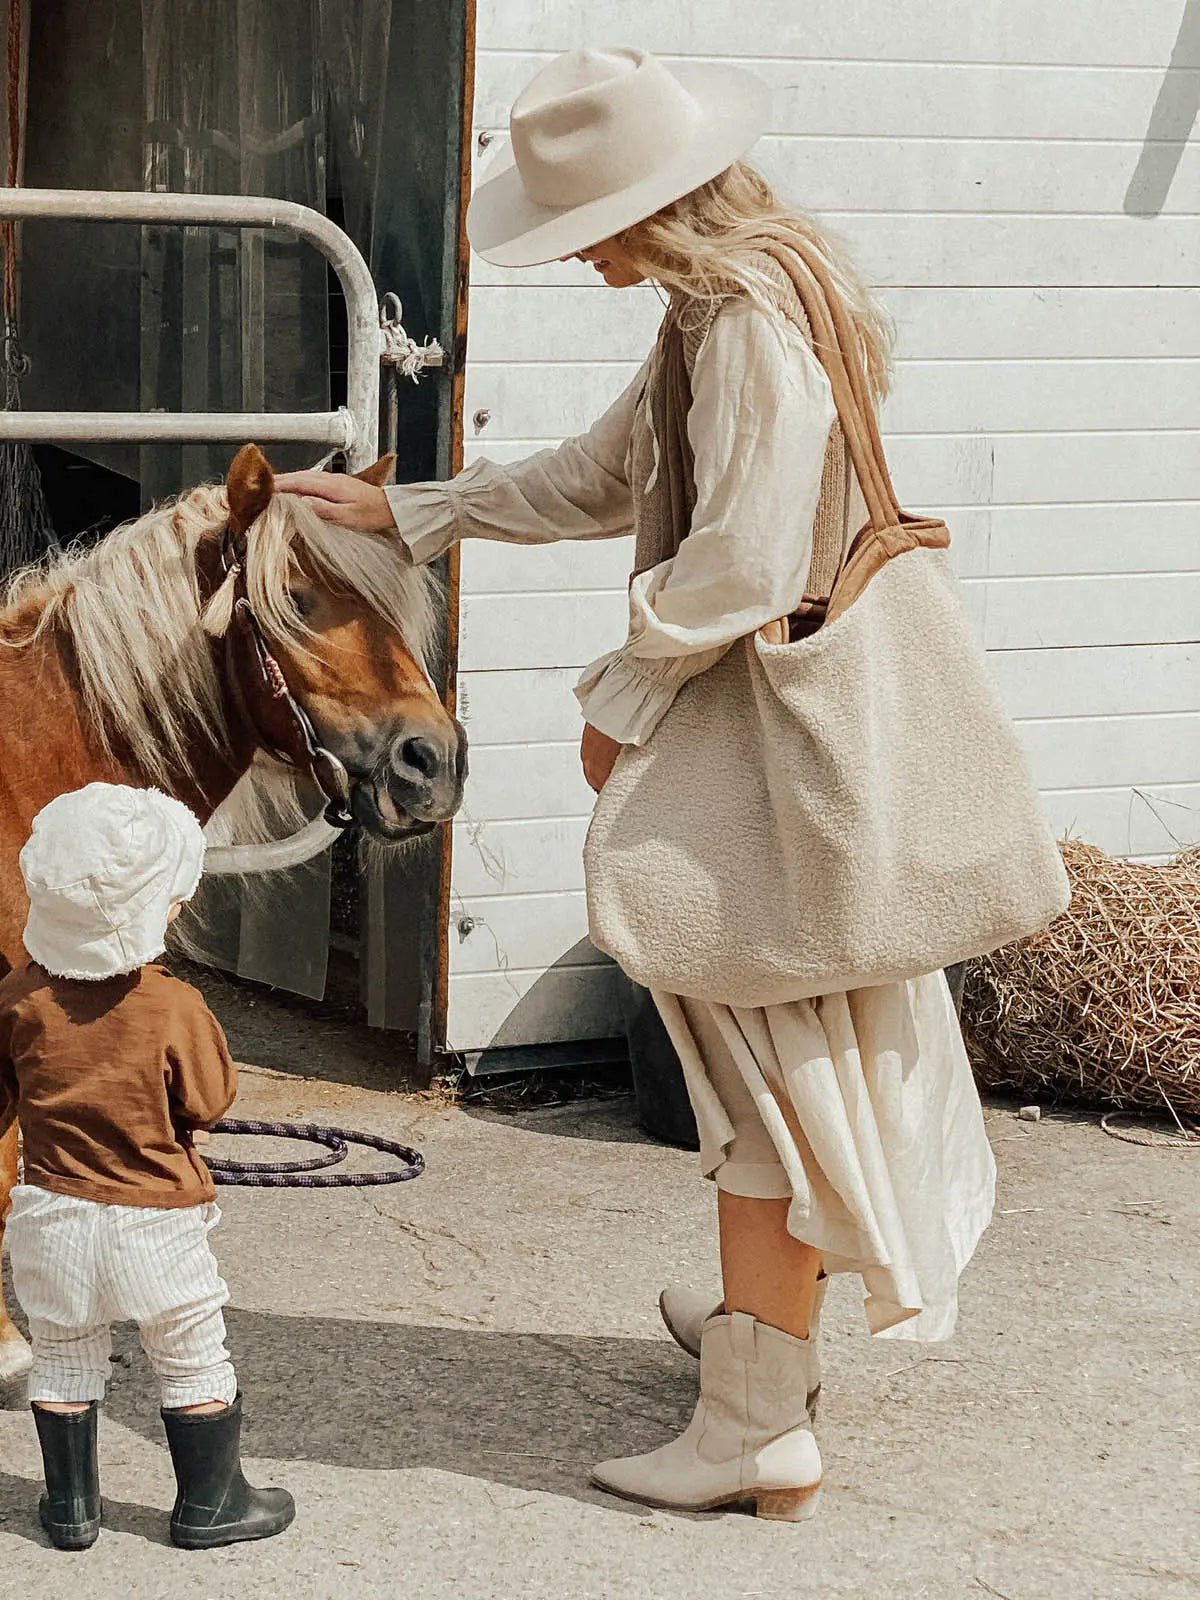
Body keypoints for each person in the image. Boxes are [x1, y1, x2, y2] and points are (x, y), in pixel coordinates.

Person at [277, 46, 996, 1521]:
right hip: (789, 739)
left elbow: (737, 556)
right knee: (774, 1051)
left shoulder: (744, 321)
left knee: (758, 1073)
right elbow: (610, 477)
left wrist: (625, 698)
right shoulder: (731, 300)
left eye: (589, 221)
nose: (583, 249)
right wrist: (419, 511)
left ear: (655, 208)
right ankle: (758, 1347)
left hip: (770, 746)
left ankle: (756, 1425)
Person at [0, 782, 294, 1550]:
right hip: (155, 1223)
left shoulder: (17, 998)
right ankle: (211, 1504)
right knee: (191, 1354)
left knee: (64, 1355)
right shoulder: (174, 1006)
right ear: (158, 909)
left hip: (50, 1215)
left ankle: (69, 1510)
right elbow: (207, 1103)